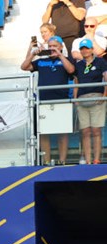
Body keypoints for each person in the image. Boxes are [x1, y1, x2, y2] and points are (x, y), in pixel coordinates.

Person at [21, 36, 75, 165]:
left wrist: (60, 55)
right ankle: (46, 161)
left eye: (55, 46)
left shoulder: (66, 60)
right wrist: (33, 53)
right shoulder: (41, 61)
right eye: (50, 46)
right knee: (44, 133)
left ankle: (62, 161)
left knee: (62, 132)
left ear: (61, 47)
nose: (52, 48)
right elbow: (24, 66)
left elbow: (71, 70)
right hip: (44, 101)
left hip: (62, 100)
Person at [72, 38, 107, 165]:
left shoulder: (100, 61)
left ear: (92, 49)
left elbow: (106, 78)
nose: (85, 50)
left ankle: (97, 159)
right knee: (85, 131)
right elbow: (76, 82)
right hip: (82, 99)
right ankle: (88, 160)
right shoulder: (79, 64)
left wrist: (104, 95)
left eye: (87, 48)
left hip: (97, 97)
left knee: (96, 130)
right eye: (82, 48)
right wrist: (75, 98)